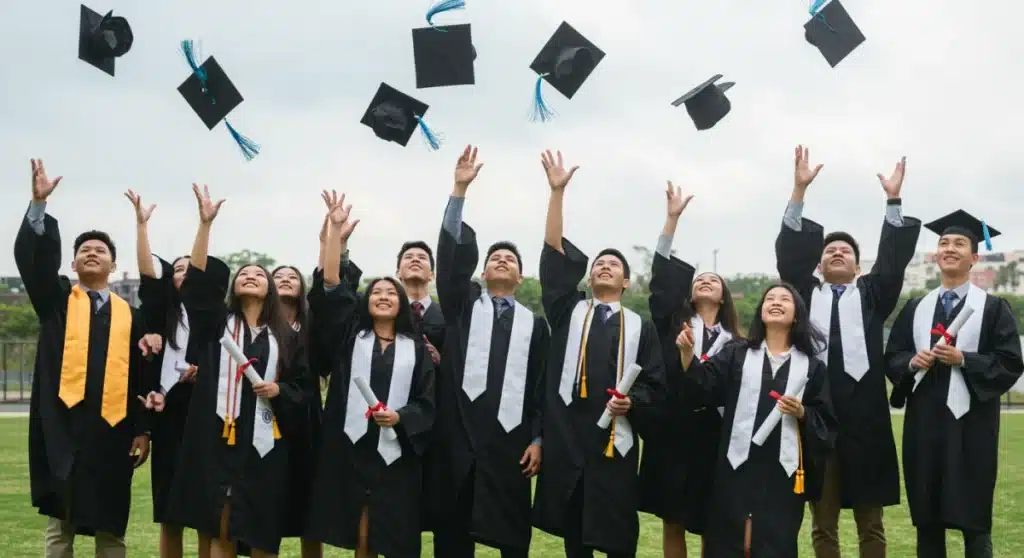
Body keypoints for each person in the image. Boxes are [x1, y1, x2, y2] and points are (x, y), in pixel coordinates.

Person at [775, 145, 922, 558]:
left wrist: (893, 200)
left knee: (870, 524)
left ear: (859, 266)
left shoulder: (873, 294)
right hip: (817, 417)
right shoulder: (803, 295)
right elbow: (789, 259)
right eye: (829, 251)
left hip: (866, 420)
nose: (837, 252)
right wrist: (798, 191)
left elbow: (893, 263)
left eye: (846, 251)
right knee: (822, 524)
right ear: (819, 266)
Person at [16, 159, 159, 558]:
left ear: (113, 264)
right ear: (73, 263)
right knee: (60, 521)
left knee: (111, 523)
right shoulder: (57, 301)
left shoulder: (131, 316)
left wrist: (143, 428)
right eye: (84, 250)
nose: (92, 253)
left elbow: (143, 378)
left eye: (100, 250)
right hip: (62, 425)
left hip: (113, 431)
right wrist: (38, 207)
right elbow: (34, 266)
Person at [532, 150, 666, 558]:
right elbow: (554, 259)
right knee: (577, 539)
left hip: (616, 441)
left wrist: (633, 404)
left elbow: (655, 385)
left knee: (619, 536)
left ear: (627, 282)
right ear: (589, 278)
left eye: (614, 265)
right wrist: (556, 194)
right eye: (599, 264)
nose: (604, 267)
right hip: (570, 435)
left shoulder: (641, 326)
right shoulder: (569, 311)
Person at [166, 184, 311, 558]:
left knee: (262, 530)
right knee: (220, 526)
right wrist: (204, 225)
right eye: (243, 273)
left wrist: (280, 391)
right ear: (233, 286)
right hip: (216, 435)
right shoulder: (216, 323)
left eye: (259, 275)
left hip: (266, 441)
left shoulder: (286, 336)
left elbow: (303, 386)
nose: (250, 276)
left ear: (271, 291)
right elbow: (196, 284)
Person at [428, 145, 549, 557]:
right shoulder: (463, 305)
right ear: (482, 271)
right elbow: (447, 263)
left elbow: (539, 388)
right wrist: (459, 190)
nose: (501, 260)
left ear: (520, 276)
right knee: (452, 544)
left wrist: (538, 439)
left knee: (512, 542)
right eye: (494, 257)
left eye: (510, 259)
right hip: (458, 439)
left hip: (509, 446)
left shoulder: (536, 326)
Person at [885, 211, 1024, 558]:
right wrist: (911, 363)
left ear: (974, 257)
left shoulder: (992, 309)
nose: (949, 248)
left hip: (972, 428)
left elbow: (1009, 363)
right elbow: (893, 357)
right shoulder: (916, 308)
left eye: (959, 243)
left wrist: (964, 359)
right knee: (927, 522)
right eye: (943, 243)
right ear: (936, 256)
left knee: (974, 522)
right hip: (924, 426)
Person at [305, 192, 436, 558]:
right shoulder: (350, 336)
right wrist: (333, 231)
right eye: (375, 292)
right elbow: (331, 286)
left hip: (398, 453)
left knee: (394, 533)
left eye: (389, 293)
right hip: (352, 447)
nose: (382, 296)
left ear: (400, 304)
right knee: (360, 532)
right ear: (366, 301)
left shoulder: (417, 348)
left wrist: (400, 417)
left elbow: (426, 402)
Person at [677, 282, 838, 557]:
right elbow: (703, 387)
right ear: (761, 312)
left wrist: (802, 413)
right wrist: (687, 355)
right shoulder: (737, 354)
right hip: (735, 468)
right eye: (769, 299)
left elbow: (826, 424)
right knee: (728, 541)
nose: (775, 302)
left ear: (796, 314)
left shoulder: (812, 367)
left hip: (782, 474)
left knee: (774, 543)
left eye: (785, 299)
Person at [638, 183, 744, 558]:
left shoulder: (737, 344)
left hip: (715, 436)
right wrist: (672, 220)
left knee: (710, 518)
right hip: (673, 430)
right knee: (674, 517)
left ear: (723, 297)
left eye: (713, 281)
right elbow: (661, 277)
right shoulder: (673, 323)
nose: (705, 281)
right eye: (700, 279)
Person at [126, 189, 230, 558]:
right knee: (169, 511)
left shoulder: (211, 314)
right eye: (179, 268)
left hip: (203, 413)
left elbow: (200, 277)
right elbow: (147, 273)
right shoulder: (159, 314)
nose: (185, 272)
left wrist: (204, 224)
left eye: (192, 268)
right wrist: (141, 227)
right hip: (167, 413)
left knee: (204, 511)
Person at [269, 264, 323, 558]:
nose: (286, 280)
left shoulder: (313, 325)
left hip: (307, 421)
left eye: (293, 277)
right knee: (265, 508)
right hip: (266, 416)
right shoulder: (257, 325)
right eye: (278, 277)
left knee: (310, 510)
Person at [395, 239, 444, 364]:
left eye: (422, 257)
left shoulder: (447, 315)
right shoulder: (388, 312)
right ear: (398, 273)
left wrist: (442, 361)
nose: (415, 260)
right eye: (408, 257)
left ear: (432, 275)